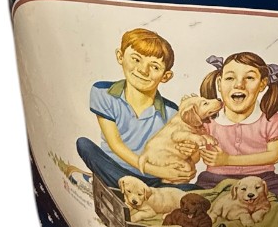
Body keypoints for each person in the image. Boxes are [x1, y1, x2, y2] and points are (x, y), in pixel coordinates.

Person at [75, 28, 193, 187]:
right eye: (136, 59)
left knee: (192, 189)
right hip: (116, 168)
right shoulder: (103, 92)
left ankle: (133, 189)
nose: (143, 70)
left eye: (155, 67)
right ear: (120, 56)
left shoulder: (172, 112)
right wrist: (161, 172)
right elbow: (116, 145)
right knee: (84, 145)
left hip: (153, 180)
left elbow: (182, 153)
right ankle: (123, 186)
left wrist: (189, 160)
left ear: (165, 76)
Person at [195, 51, 278, 202]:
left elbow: (274, 155)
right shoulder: (208, 119)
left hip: (261, 179)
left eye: (250, 78)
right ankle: (237, 202)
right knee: (196, 193)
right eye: (230, 78)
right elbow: (196, 152)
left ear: (262, 84)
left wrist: (228, 160)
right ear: (219, 83)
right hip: (216, 180)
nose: (239, 84)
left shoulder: (270, 119)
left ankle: (237, 202)